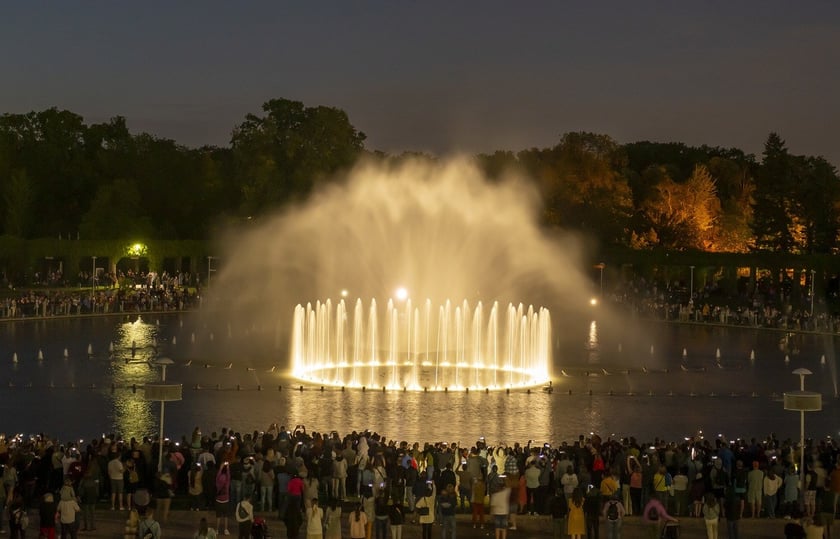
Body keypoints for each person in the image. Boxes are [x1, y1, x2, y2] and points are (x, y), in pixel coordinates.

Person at [216, 461, 232, 535]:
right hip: (226, 499)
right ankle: (226, 529)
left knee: (218, 516)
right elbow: (229, 476)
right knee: (226, 516)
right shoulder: (227, 481)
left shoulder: (218, 480)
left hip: (218, 499)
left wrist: (220, 468)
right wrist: (227, 468)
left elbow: (217, 476)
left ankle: (217, 530)